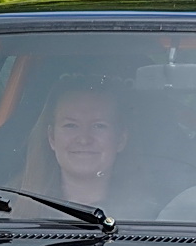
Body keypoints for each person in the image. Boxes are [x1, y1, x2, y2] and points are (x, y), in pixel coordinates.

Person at [19, 77, 134, 208]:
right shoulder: (5, 210)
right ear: (52, 137)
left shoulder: (155, 217)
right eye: (71, 125)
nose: (84, 140)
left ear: (121, 139)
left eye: (99, 126)